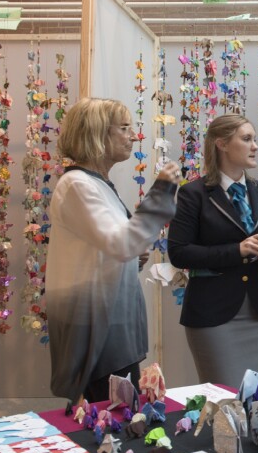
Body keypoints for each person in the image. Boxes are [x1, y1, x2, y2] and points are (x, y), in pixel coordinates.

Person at [47, 98, 182, 404]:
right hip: (95, 327)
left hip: (113, 323)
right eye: (123, 128)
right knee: (107, 419)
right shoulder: (78, 185)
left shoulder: (99, 184)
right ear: (96, 133)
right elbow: (122, 244)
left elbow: (114, 247)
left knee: (119, 414)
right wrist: (160, 194)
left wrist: (134, 256)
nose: (132, 135)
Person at [168, 114, 258, 386]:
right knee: (225, 399)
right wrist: (235, 250)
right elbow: (178, 253)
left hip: (257, 310)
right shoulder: (194, 194)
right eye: (246, 139)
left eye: (255, 140)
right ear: (221, 144)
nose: (256, 147)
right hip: (213, 312)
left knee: (255, 396)